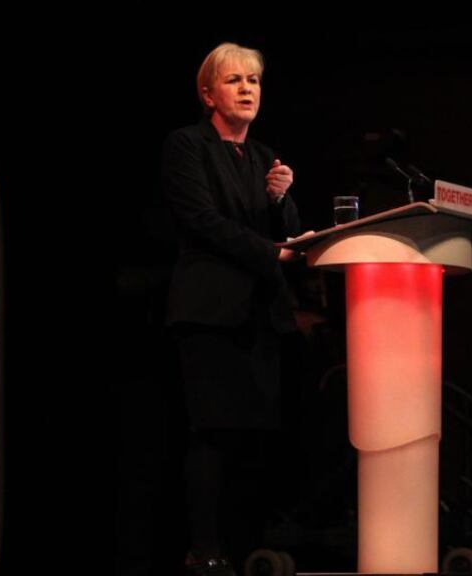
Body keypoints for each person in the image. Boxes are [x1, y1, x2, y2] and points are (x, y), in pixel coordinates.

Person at [160, 42, 310, 575]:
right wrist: (270, 250)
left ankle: (246, 546)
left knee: (257, 440)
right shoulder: (187, 146)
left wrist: (280, 201)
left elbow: (290, 235)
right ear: (208, 94)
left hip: (260, 317)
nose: (247, 89)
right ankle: (204, 550)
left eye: (254, 80)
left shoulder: (266, 156)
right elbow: (201, 221)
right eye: (234, 81)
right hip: (209, 312)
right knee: (214, 433)